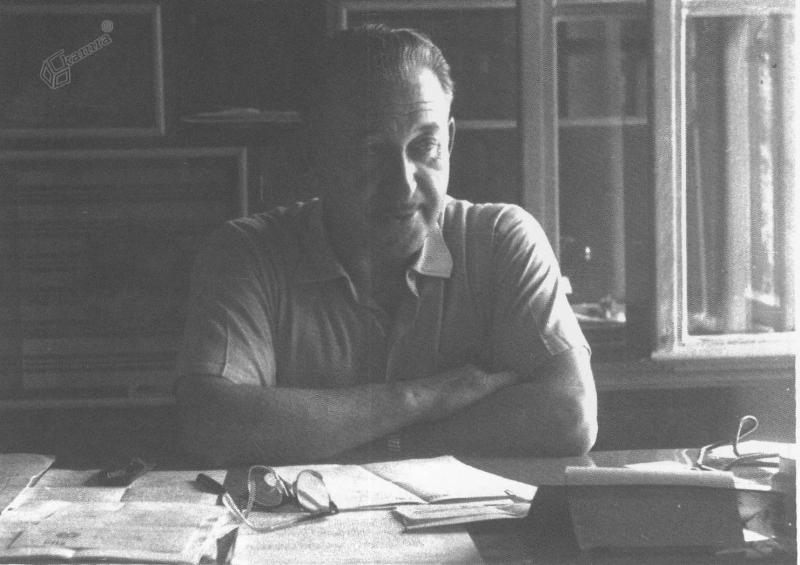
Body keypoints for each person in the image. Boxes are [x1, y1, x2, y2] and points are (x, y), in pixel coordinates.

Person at [175, 24, 597, 466]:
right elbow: (211, 425)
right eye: (373, 151)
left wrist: (368, 439)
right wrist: (423, 397)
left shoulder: (500, 239)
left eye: (425, 146)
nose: (404, 184)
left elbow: (569, 416)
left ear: (450, 141)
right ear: (315, 155)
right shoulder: (247, 254)